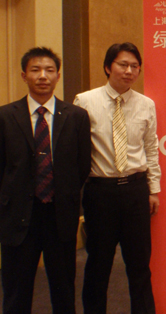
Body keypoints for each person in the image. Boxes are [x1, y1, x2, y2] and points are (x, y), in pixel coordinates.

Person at [0, 47, 91, 314]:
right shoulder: (5, 116)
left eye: (49, 70)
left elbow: (82, 166)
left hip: (59, 215)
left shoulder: (76, 116)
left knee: (63, 291)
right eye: (36, 70)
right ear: (24, 75)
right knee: (16, 293)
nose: (43, 76)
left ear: (58, 76)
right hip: (18, 216)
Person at [74, 42, 161, 314]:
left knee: (139, 266)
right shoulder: (84, 102)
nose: (129, 71)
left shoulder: (146, 104)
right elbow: (76, 150)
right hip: (100, 192)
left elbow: (151, 148)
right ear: (107, 67)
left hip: (135, 191)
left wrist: (153, 189)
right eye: (123, 65)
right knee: (98, 264)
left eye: (135, 66)